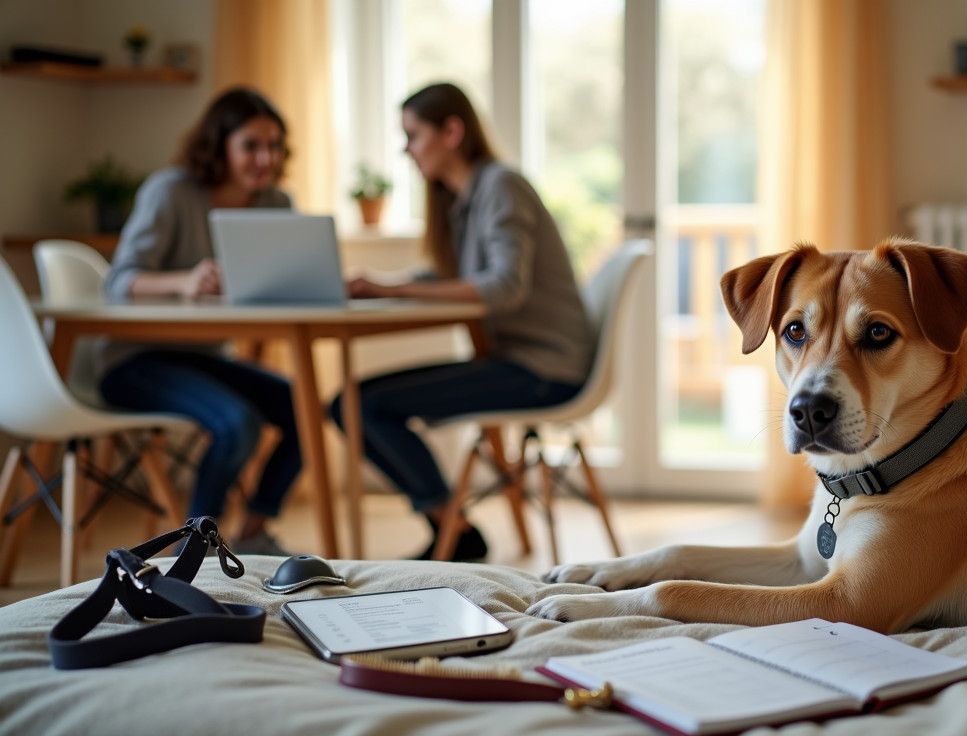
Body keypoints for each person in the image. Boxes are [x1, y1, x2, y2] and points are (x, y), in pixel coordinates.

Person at [330, 82, 594, 561]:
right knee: (350, 403)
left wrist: (393, 291)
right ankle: (453, 527)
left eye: (413, 135)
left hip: (543, 369)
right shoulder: (464, 199)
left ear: (452, 132)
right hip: (517, 362)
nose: (406, 149)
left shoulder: (501, 186)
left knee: (358, 404)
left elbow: (503, 287)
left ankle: (452, 527)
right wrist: (384, 283)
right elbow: (454, 275)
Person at [97, 87, 302, 556]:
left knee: (304, 407)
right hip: (134, 361)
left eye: (274, 146)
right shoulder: (170, 192)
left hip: (204, 358)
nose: (266, 159)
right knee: (238, 422)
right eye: (251, 145)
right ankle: (196, 549)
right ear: (219, 145)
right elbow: (118, 281)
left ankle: (253, 531)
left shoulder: (275, 205)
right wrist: (183, 281)